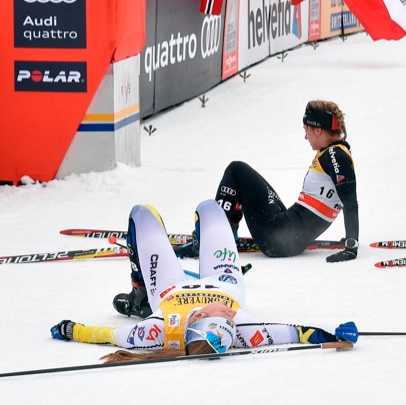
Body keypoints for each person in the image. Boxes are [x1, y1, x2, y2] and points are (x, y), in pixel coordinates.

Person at [50, 200, 358, 358]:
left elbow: (105, 334)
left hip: (169, 288)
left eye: (224, 316)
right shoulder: (242, 331)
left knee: (142, 213)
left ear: (197, 316)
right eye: (231, 321)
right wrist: (336, 332)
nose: (233, 314)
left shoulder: (157, 331)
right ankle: (198, 244)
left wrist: (71, 329)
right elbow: (297, 333)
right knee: (210, 208)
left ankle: (139, 295)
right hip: (224, 282)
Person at [214, 101, 359, 263]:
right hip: (288, 237)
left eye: (306, 130)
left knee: (236, 169)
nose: (305, 136)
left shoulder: (335, 155)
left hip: (278, 239)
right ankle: (228, 231)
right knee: (246, 182)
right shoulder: (335, 154)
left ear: (318, 130)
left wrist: (351, 246)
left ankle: (213, 237)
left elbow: (350, 201)